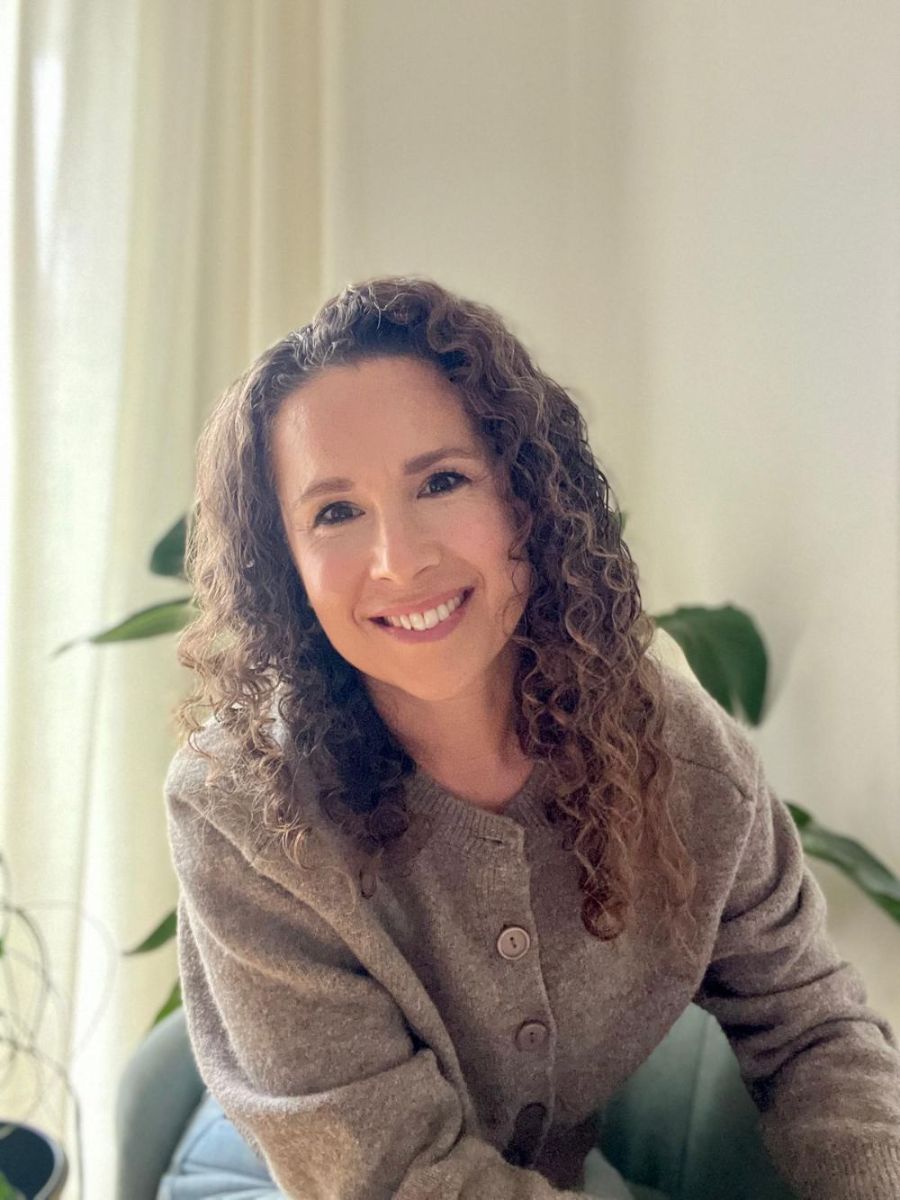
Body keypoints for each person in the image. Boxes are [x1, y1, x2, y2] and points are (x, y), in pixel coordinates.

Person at [164, 275, 900, 1199]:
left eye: (442, 481)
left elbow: (814, 1028)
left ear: (528, 498)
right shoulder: (240, 804)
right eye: (336, 512)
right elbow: (391, 1177)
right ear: (290, 566)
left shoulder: (681, 758)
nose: (400, 560)